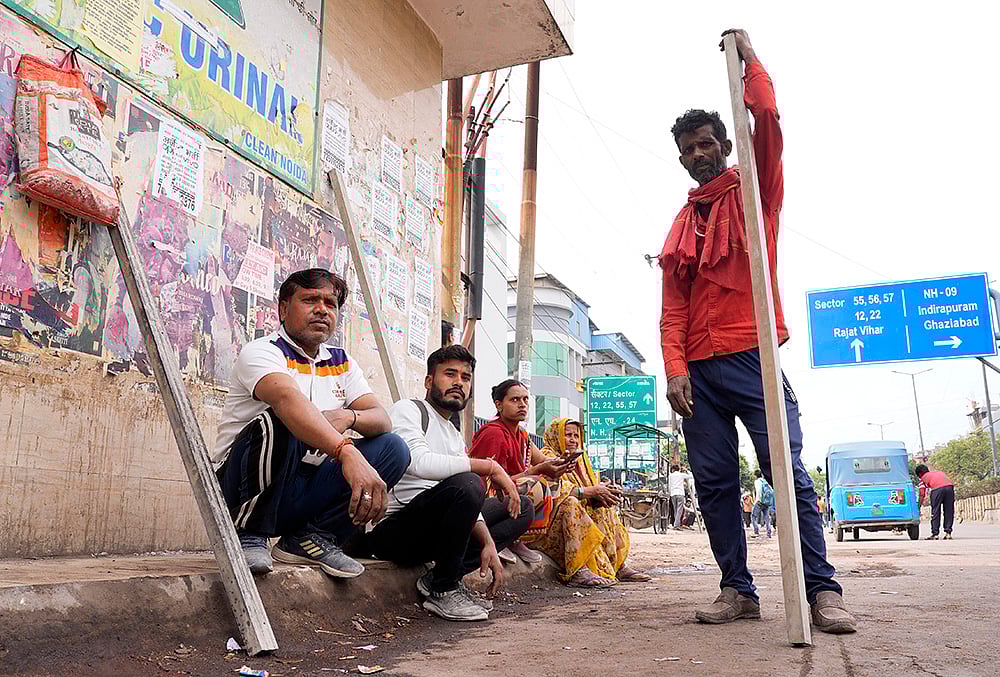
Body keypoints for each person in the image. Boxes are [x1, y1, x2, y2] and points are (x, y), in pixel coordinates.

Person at [657, 29, 855, 633]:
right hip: (697, 373)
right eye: (688, 149)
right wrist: (674, 372)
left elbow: (766, 114)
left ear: (723, 143)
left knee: (786, 476)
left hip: (754, 358)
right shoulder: (682, 223)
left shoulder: (757, 192)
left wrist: (749, 60)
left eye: (706, 143)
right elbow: (672, 309)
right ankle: (737, 590)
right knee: (715, 484)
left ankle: (822, 591)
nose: (698, 154)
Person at [213, 269, 410, 578]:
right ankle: (247, 533)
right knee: (282, 419)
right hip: (239, 486)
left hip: (301, 485)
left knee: (393, 448)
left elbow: (382, 418)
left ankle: (309, 537)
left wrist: (348, 416)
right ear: (283, 309)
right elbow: (287, 402)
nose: (322, 309)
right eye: (310, 300)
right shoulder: (264, 351)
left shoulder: (341, 361)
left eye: (330, 303)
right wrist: (347, 451)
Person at [350, 345, 534, 621]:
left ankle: (440, 577)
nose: (459, 382)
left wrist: (488, 542)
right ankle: (444, 590)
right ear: (428, 381)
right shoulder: (409, 410)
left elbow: (465, 498)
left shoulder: (452, 433)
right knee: (470, 482)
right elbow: (418, 462)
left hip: (432, 530)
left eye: (466, 377)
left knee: (522, 506)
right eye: (450, 374)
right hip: (390, 532)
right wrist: (489, 465)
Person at [524, 417, 652, 587]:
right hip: (548, 521)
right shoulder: (548, 456)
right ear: (556, 436)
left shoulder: (581, 460)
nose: (573, 439)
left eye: (576, 436)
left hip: (575, 512)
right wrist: (592, 491)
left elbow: (590, 488)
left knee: (605, 506)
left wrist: (603, 491)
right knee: (570, 504)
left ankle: (618, 566)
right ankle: (578, 570)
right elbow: (555, 490)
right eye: (567, 435)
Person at [468, 380, 576, 565]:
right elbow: (486, 481)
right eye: (515, 399)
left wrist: (562, 463)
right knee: (537, 484)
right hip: (485, 499)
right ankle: (502, 537)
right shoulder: (493, 433)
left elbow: (542, 460)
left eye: (525, 400)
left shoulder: (522, 434)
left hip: (510, 493)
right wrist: (538, 470)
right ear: (499, 405)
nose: (522, 404)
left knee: (553, 483)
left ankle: (515, 537)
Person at [916, 464, 955, 540]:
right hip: (949, 488)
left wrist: (918, 506)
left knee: (936, 511)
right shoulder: (939, 473)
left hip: (937, 489)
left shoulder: (923, 478)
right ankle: (948, 533)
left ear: (920, 474)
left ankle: (935, 534)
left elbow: (922, 493)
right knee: (949, 511)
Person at [668, 463, 694, 530]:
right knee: (679, 510)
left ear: (673, 469)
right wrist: (687, 470)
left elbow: (669, 486)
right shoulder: (681, 475)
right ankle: (676, 525)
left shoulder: (670, 476)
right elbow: (691, 476)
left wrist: (670, 493)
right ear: (678, 469)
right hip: (680, 493)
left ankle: (675, 524)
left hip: (673, 494)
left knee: (675, 510)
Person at [750, 470, 773, 539]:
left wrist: (757, 500)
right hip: (767, 502)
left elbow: (759, 490)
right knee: (766, 517)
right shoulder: (765, 481)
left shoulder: (757, 481)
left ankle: (756, 532)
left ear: (755, 475)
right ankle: (769, 533)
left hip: (760, 502)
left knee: (753, 516)